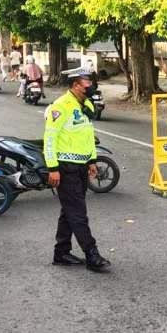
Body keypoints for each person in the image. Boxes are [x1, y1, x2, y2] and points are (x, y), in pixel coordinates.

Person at [44, 70, 111, 270]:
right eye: (87, 82)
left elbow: (87, 136)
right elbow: (50, 138)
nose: (91, 86)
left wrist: (91, 160)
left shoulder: (86, 104)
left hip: (81, 166)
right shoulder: (60, 106)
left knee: (70, 211)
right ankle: (92, 254)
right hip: (65, 167)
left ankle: (61, 252)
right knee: (78, 212)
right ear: (75, 85)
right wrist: (52, 167)